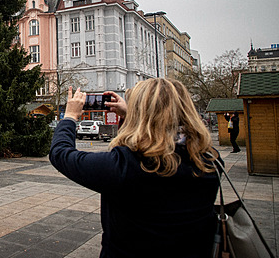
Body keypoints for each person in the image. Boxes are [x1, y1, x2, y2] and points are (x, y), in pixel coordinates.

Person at [50, 78, 220, 258]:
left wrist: (69, 117)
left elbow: (61, 154)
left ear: (141, 114)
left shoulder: (125, 167)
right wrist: (130, 115)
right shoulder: (209, 162)